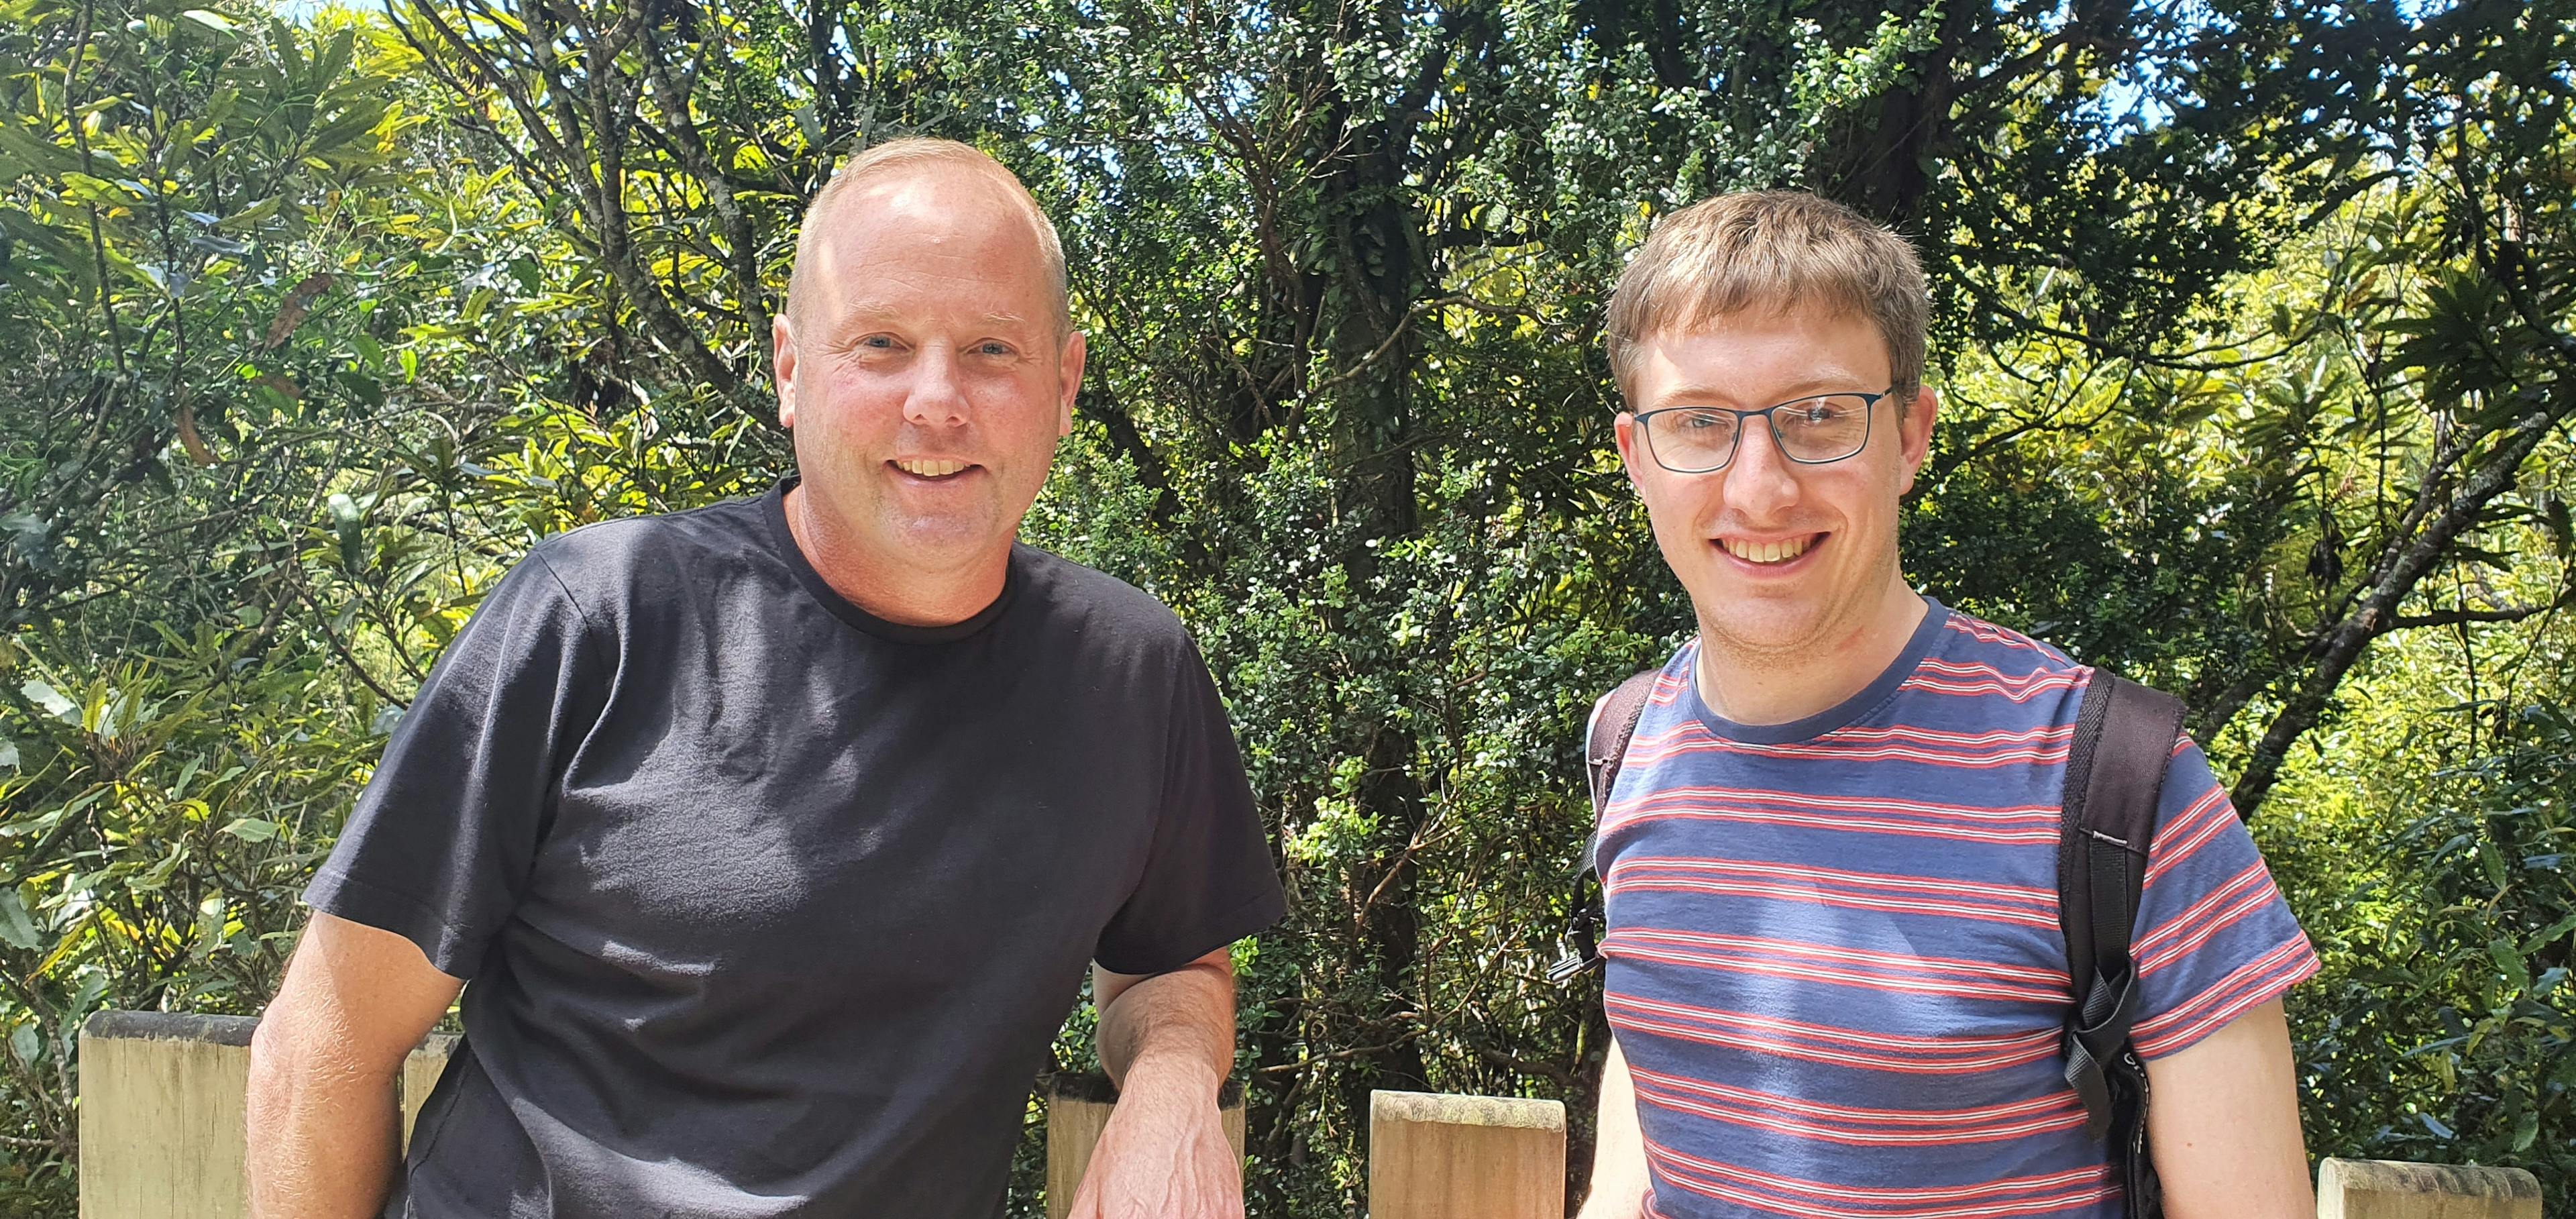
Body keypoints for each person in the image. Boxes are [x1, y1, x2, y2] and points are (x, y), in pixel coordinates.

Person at [245, 138, 1285, 1219]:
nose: (938, 400)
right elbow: (319, 1052)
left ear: (1063, 384)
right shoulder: (597, 619)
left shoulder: (1128, 676)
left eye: (990, 349)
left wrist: (1170, 1081)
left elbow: (1173, 969)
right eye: (881, 343)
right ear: (791, 370)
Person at [1574, 192, 2317, 1219]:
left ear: (1911, 435)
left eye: (1818, 415)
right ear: (1636, 456)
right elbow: (1661, 1052)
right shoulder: (1627, 743)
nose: (1760, 488)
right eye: (1700, 422)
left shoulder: (2116, 783)